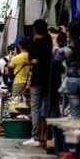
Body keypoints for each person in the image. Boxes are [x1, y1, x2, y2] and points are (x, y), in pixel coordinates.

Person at [24, 19, 53, 147]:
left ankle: (35, 137)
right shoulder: (49, 41)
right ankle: (45, 137)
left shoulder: (35, 43)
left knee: (35, 108)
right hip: (48, 79)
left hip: (37, 80)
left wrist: (34, 61)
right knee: (45, 108)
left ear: (35, 29)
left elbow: (30, 60)